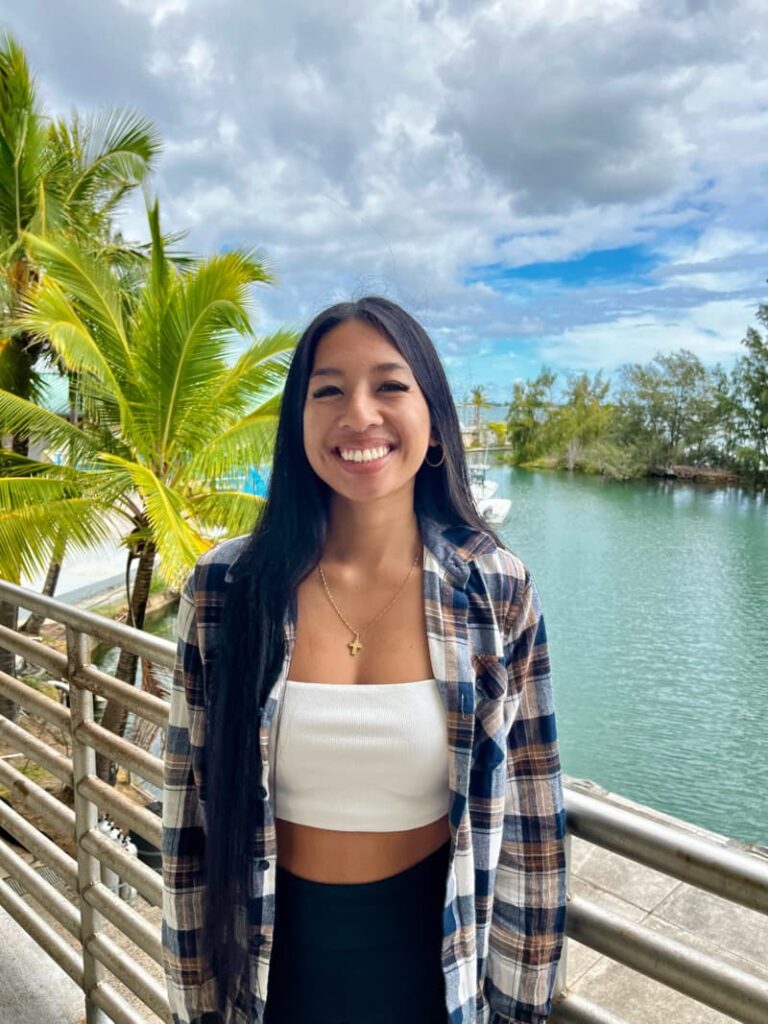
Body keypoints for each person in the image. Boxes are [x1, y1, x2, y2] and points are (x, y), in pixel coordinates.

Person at [161, 296, 567, 1024]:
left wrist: (519, 1010)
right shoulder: (225, 591)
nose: (359, 414)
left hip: (435, 968)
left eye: (389, 385)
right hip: (266, 968)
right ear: (298, 426)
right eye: (328, 390)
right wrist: (196, 1002)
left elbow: (534, 823)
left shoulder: (494, 590)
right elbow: (188, 823)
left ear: (435, 423)